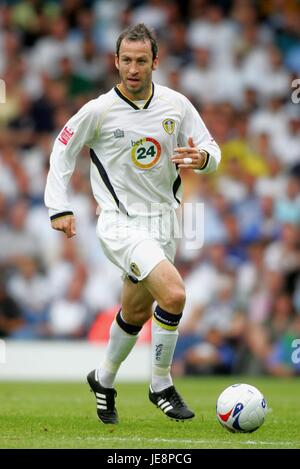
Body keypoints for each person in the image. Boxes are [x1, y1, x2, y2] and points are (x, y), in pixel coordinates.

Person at [44, 23, 221, 424]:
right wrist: (59, 206)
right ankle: (160, 383)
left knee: (136, 311)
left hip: (164, 222)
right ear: (116, 61)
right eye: (126, 60)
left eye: (142, 60)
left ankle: (102, 378)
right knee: (173, 295)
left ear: (155, 62)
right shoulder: (99, 110)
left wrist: (203, 159)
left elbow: (211, 148)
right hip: (120, 223)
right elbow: (62, 149)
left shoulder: (176, 105)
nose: (133, 68)